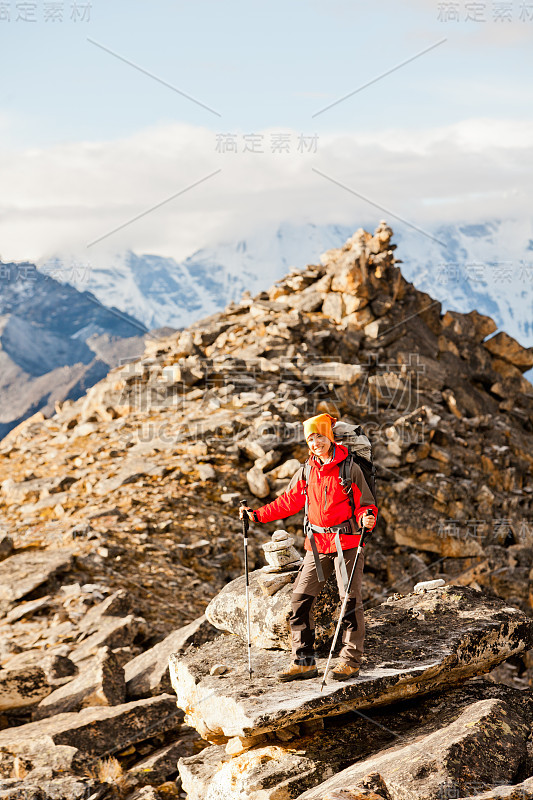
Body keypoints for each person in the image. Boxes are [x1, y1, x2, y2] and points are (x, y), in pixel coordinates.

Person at [240, 413, 377, 683]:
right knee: (300, 600)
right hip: (316, 545)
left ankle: (350, 661)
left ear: (330, 437)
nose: (316, 443)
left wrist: (366, 518)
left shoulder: (350, 468)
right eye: (311, 439)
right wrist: (256, 516)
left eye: (320, 437)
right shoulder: (308, 470)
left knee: (349, 601)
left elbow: (366, 504)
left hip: (347, 543)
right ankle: (303, 662)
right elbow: (287, 502)